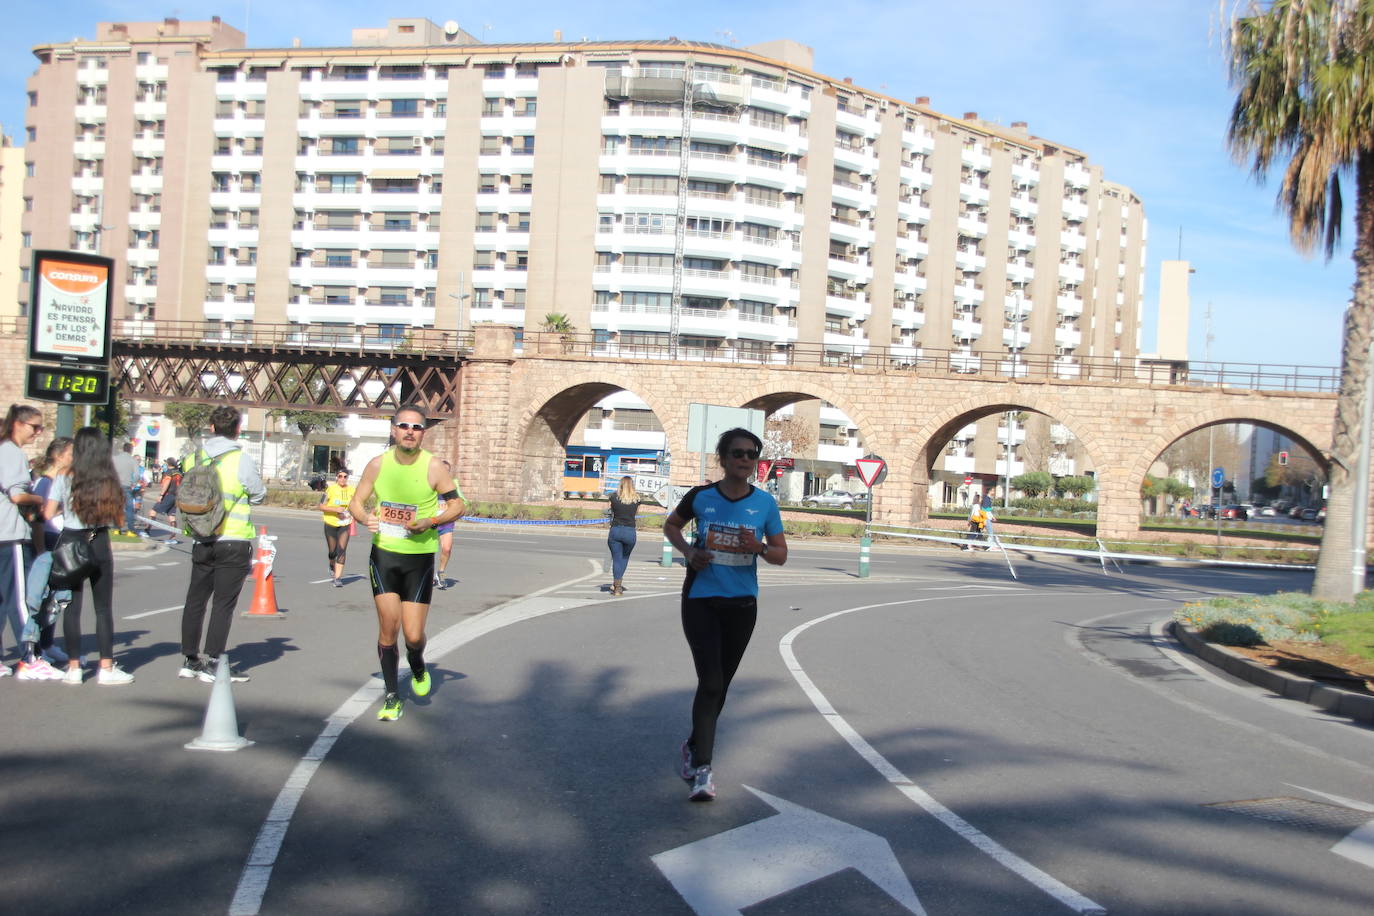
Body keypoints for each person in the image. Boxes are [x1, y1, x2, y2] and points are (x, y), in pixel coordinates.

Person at [663, 427, 787, 802]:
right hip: (701, 599)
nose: (745, 459)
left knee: (722, 684)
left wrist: (759, 547)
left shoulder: (764, 504)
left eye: (752, 454)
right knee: (711, 682)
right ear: (723, 457)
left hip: (742, 605)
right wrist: (688, 552)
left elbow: (781, 555)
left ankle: (692, 744)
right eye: (738, 453)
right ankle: (703, 767)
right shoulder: (701, 497)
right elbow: (671, 525)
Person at [349, 405, 466, 722]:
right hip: (384, 554)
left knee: (413, 636)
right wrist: (366, 519)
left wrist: (431, 520)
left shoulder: (434, 467)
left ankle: (416, 662)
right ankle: (391, 696)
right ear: (393, 430)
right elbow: (356, 503)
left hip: (419, 560)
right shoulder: (377, 465)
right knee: (389, 628)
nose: (409, 431)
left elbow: (457, 505)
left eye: (416, 427)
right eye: (404, 425)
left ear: (423, 433)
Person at [176, 406, 267, 683]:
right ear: (238, 429)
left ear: (211, 427)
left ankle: (190, 659)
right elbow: (258, 494)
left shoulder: (193, 457)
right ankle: (213, 661)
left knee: (195, 600)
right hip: (233, 539)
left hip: (202, 537)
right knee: (223, 604)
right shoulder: (240, 459)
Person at [49, 427, 134, 685]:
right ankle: (106, 668)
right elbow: (119, 519)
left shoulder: (64, 476)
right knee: (103, 608)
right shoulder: (109, 479)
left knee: (71, 607)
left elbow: (48, 511)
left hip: (71, 541)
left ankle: (74, 667)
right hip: (99, 540)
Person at [20, 437, 75, 676]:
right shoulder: (46, 482)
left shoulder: (60, 480)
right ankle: (34, 652)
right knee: (40, 598)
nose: (75, 457)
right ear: (61, 455)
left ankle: (47, 644)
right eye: (72, 453)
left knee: (54, 599)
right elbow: (40, 519)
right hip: (48, 542)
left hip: (58, 540)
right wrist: (42, 552)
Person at [0, 405, 48, 677]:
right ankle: (28, 658)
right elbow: (17, 495)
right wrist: (42, 499)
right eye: (34, 427)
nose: (38, 432)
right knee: (20, 598)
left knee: (2, 599)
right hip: (11, 533)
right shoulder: (12, 452)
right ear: (18, 423)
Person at [606, 475, 646, 596]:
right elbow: (636, 513)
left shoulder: (613, 497)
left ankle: (617, 586)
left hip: (616, 529)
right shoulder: (637, 499)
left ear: (621, 485)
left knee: (617, 559)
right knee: (624, 558)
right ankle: (617, 584)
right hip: (630, 531)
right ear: (632, 485)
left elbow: (609, 511)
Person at [320, 468, 355, 587]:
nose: (343, 479)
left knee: (342, 550)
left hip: (345, 523)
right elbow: (321, 506)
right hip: (331, 523)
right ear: (336, 477)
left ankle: (337, 577)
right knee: (332, 551)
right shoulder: (330, 489)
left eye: (345, 476)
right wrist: (335, 510)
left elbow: (355, 505)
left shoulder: (352, 490)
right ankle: (331, 564)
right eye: (340, 476)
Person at [433, 459, 457, 590]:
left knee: (447, 549)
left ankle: (441, 573)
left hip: (446, 523)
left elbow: (459, 503)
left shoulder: (451, 487)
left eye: (447, 472)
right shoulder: (430, 485)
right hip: (430, 523)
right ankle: (427, 575)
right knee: (428, 552)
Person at [148, 457, 182, 545]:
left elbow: (166, 484)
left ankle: (147, 530)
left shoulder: (169, 472)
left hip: (168, 495)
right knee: (171, 516)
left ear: (167, 464)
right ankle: (173, 537)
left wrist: (161, 495)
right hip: (176, 496)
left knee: (153, 511)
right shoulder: (179, 473)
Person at [111, 442, 139, 535]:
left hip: (115, 486)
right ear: (131, 450)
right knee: (129, 509)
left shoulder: (115, 459)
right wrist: (133, 483)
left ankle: (116, 528)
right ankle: (130, 530)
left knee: (117, 508)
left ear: (123, 449)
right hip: (126, 486)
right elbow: (136, 475)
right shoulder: (133, 460)